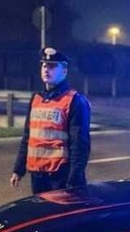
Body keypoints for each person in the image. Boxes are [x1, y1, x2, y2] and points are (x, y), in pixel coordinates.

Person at [10, 47, 91, 194]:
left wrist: (74, 181)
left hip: (60, 176)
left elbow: (79, 144)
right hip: (37, 175)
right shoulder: (36, 99)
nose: (46, 70)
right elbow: (28, 137)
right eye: (44, 66)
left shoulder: (74, 101)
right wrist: (18, 169)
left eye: (52, 66)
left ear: (64, 71)